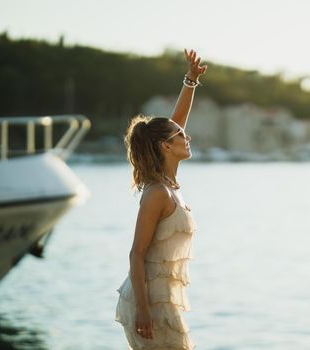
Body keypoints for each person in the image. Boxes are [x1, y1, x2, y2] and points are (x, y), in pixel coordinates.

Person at [115, 49, 208, 350]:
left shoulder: (168, 185)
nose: (187, 137)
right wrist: (144, 310)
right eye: (181, 136)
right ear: (166, 147)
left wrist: (190, 81)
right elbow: (136, 254)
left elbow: (175, 125)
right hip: (150, 303)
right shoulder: (157, 193)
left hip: (162, 299)